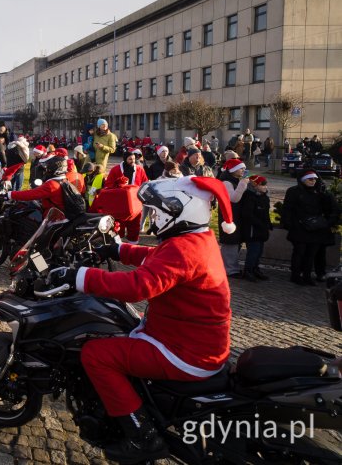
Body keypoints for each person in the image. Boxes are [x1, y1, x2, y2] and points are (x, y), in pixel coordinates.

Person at [50, 175, 234, 463]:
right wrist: (117, 249)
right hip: (192, 342)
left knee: (96, 355)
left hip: (184, 351)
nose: (155, 218)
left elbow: (139, 286)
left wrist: (79, 276)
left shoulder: (184, 248)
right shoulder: (197, 239)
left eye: (159, 212)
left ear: (179, 210)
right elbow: (158, 258)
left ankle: (142, 437)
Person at [282, 171, 341, 285]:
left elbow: (331, 208)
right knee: (299, 252)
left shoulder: (319, 192)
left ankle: (307, 276)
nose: (313, 181)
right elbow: (287, 209)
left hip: (315, 228)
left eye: (315, 179)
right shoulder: (294, 191)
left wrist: (327, 222)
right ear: (303, 180)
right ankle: (295, 275)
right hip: (299, 227)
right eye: (310, 179)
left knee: (311, 254)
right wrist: (289, 224)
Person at [236, 175, 271, 281]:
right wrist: (259, 223)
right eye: (262, 184)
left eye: (265, 184)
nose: (265, 186)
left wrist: (268, 224)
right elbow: (247, 214)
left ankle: (255, 269)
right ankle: (248, 270)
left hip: (262, 228)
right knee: (253, 251)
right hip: (252, 229)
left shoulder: (264, 196)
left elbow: (266, 213)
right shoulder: (249, 196)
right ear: (255, 185)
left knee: (259, 250)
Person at [217, 159, 248, 278]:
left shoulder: (235, 180)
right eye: (241, 168)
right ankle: (230, 269)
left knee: (236, 241)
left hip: (236, 215)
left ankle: (232, 267)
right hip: (228, 216)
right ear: (233, 170)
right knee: (230, 241)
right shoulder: (226, 182)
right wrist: (242, 185)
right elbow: (233, 199)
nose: (243, 171)